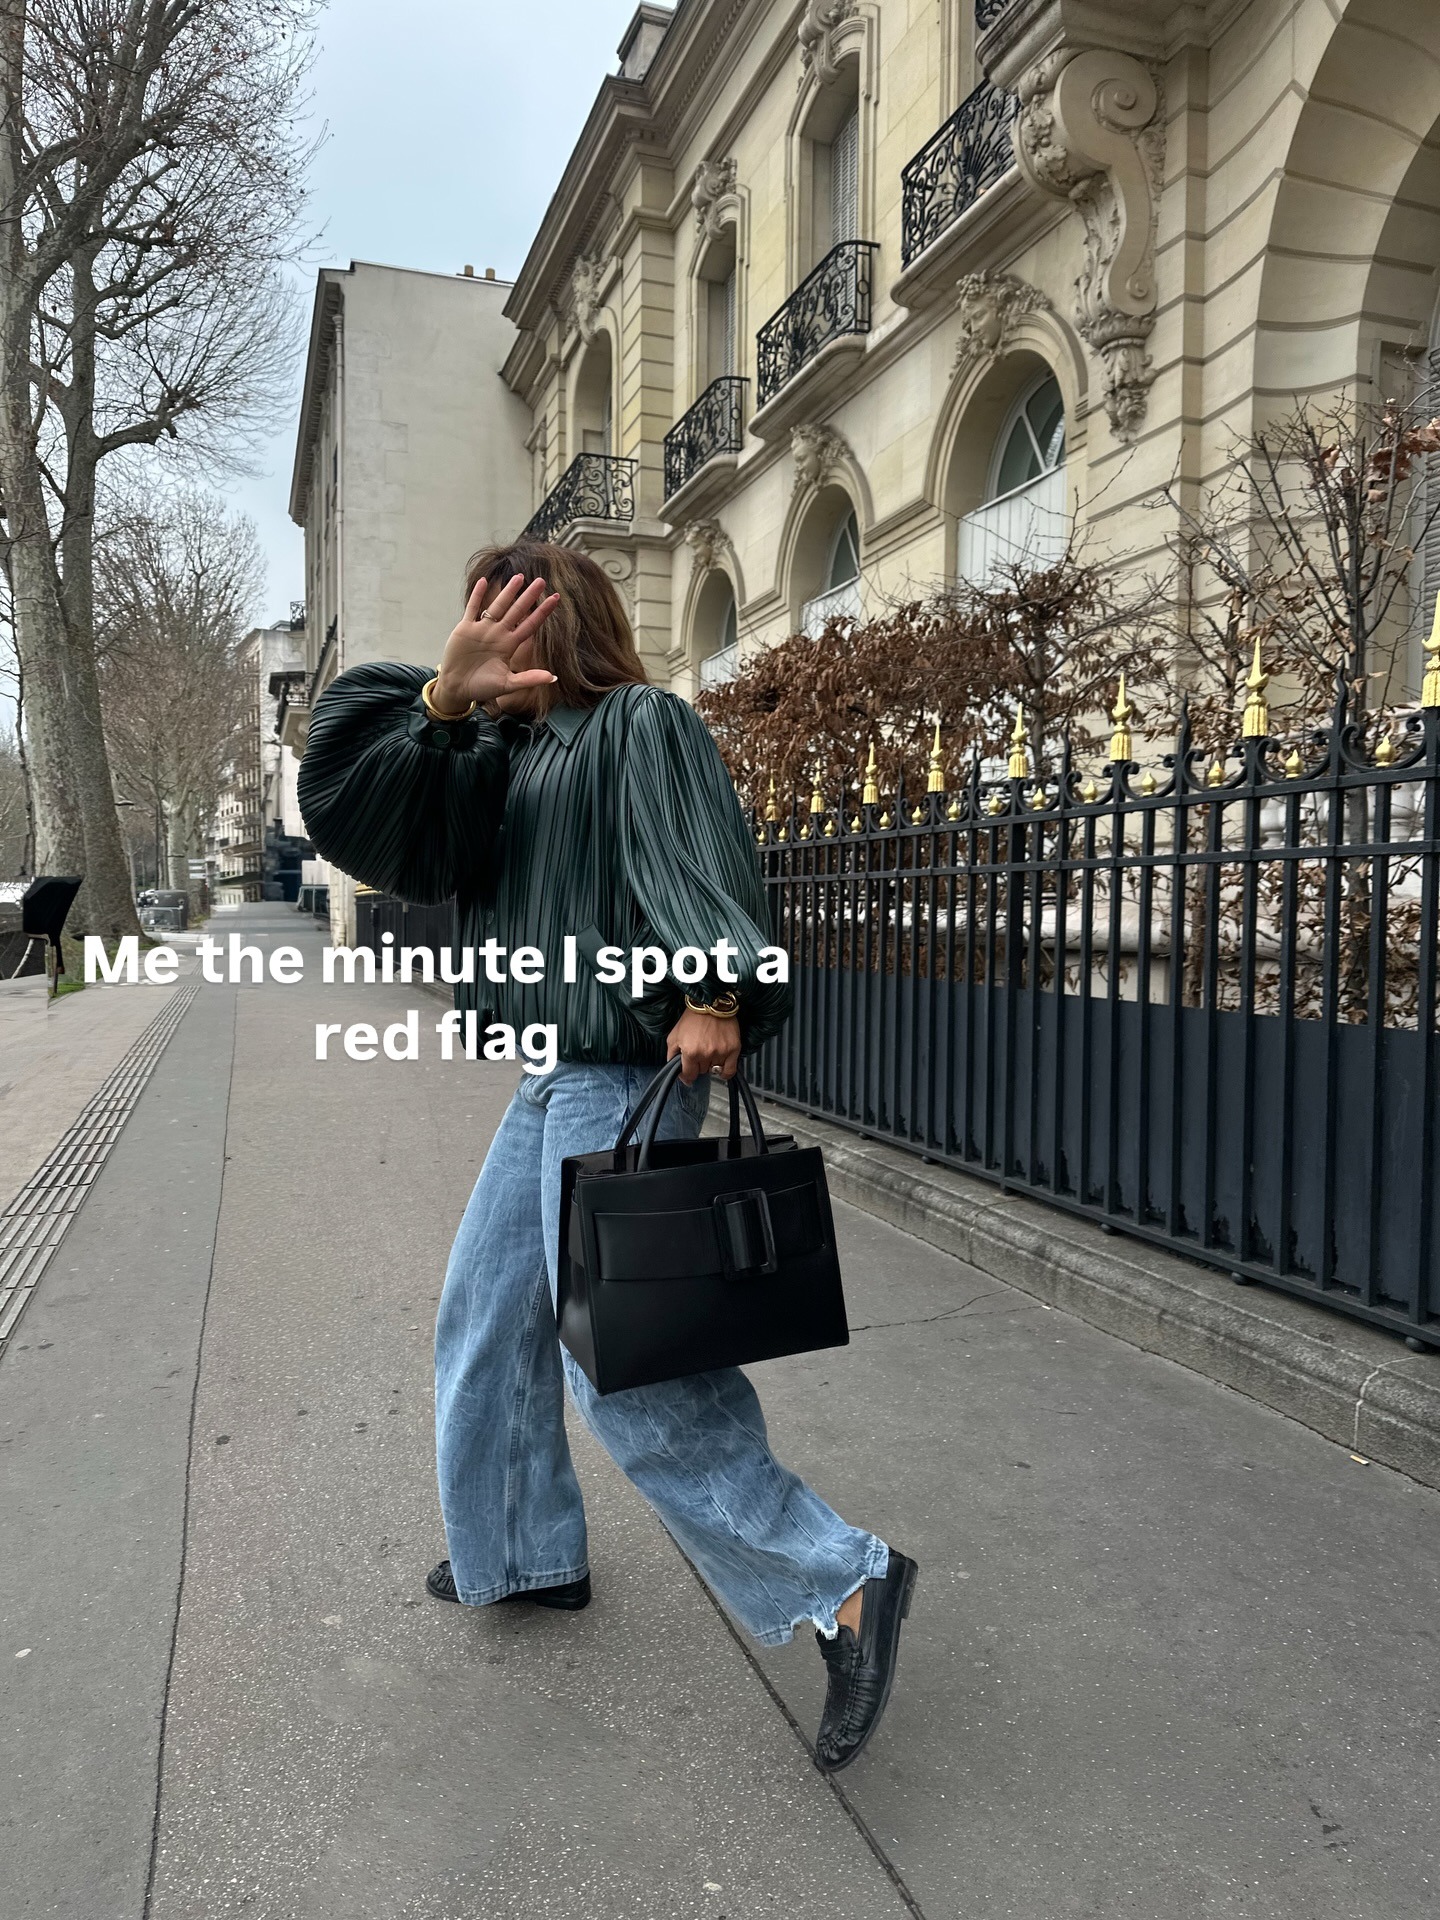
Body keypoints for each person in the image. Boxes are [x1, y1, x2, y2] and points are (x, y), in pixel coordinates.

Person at [297, 540, 916, 1772]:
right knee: (485, 1317)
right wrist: (443, 702)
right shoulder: (502, 758)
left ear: (560, 621)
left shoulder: (639, 723)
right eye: (475, 617)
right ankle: (525, 1550)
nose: (488, 635)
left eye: (507, 616)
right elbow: (367, 819)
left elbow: (699, 860)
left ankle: (843, 1579)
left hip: (624, 1067)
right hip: (553, 1071)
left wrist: (717, 992)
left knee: (620, 1364)